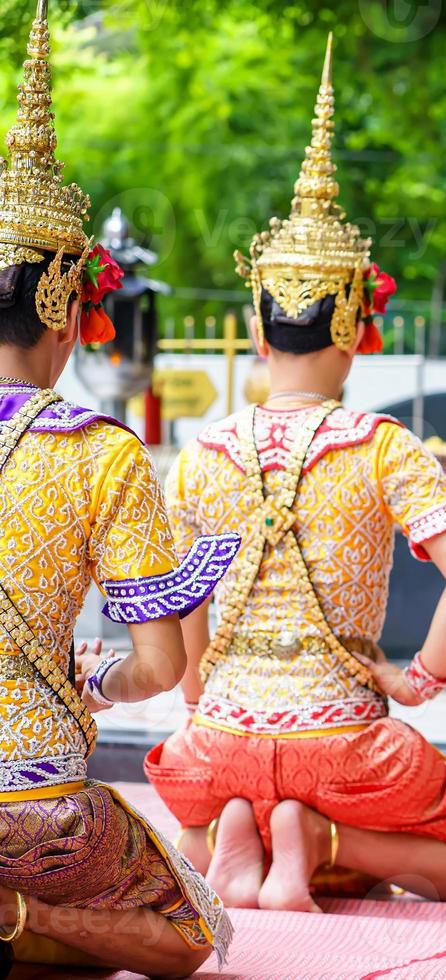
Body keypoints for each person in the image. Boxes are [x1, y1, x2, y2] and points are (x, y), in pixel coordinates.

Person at [145, 35, 446, 914]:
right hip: (343, 739)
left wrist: (204, 703)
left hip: (218, 741)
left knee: (192, 825)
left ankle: (240, 825)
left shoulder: (205, 449)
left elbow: (180, 600)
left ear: (259, 328)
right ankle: (317, 840)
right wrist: (416, 679)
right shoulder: (382, 444)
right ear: (355, 324)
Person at [0, 3, 236, 974]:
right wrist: (94, 674)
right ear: (64, 306)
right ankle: (19, 920)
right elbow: (164, 666)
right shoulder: (99, 448)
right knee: (193, 936)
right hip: (35, 805)